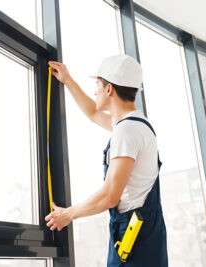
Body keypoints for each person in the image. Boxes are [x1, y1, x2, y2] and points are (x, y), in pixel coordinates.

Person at [45, 55, 168, 266]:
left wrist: (67, 214)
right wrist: (68, 81)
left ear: (109, 89)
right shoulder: (137, 125)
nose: (95, 91)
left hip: (134, 239)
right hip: (144, 232)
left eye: (97, 85)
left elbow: (110, 196)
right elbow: (93, 112)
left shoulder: (126, 131)